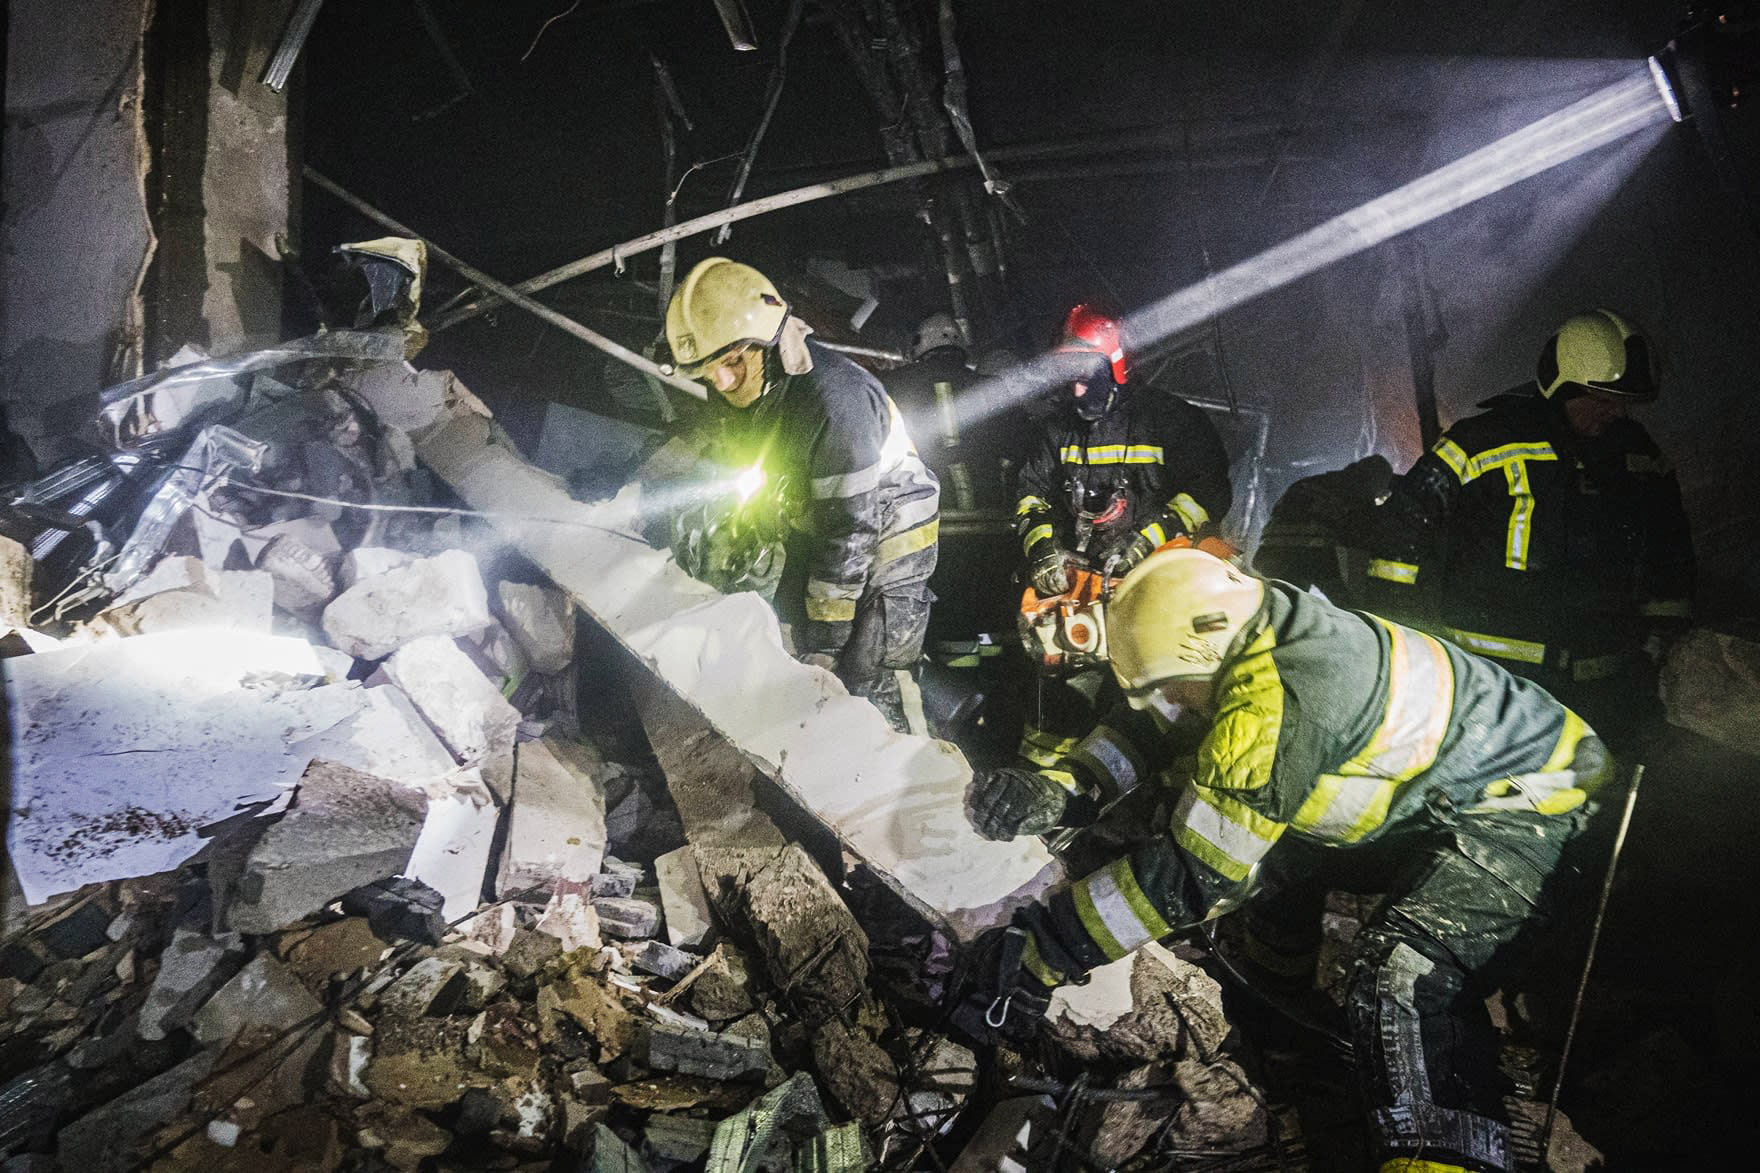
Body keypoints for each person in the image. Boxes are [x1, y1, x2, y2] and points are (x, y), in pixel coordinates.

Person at [960, 547, 1610, 1173]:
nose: (1177, 702)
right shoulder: (1249, 626)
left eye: (1176, 689)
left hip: (1536, 800)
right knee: (1273, 867)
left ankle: (1444, 1155)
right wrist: (1067, 789)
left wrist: (1044, 949)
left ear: (1202, 654)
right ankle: (1285, 1041)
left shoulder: (1279, 704)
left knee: (1408, 967)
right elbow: (1154, 725)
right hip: (1428, 796)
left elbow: (1190, 877)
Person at [1365, 309, 1693, 747]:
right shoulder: (1483, 440)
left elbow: (1668, 551)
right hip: (1490, 683)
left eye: (1622, 402)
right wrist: (1400, 635)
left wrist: (1659, 649)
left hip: (1604, 688)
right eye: (1602, 399)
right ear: (1562, 387)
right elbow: (1404, 524)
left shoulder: (1639, 458)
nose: (1615, 412)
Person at [665, 257, 940, 733]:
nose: (723, 383)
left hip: (888, 531)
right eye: (709, 372)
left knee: (867, 674)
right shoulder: (743, 385)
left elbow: (851, 531)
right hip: (821, 518)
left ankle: (907, 771)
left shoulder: (834, 401)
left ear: (771, 343)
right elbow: (717, 452)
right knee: (792, 639)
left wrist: (825, 646)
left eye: (732, 363)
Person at [1011, 304, 1233, 766]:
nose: (1075, 388)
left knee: (1163, 713)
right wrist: (1044, 549)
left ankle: (1143, 804)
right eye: (1068, 374)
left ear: (1116, 366)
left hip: (1160, 598)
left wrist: (1148, 538)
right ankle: (1041, 792)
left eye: (1086, 376)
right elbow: (1031, 494)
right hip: (1085, 595)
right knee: (1058, 706)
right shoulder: (1057, 432)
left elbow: (1210, 492)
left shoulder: (1171, 421)